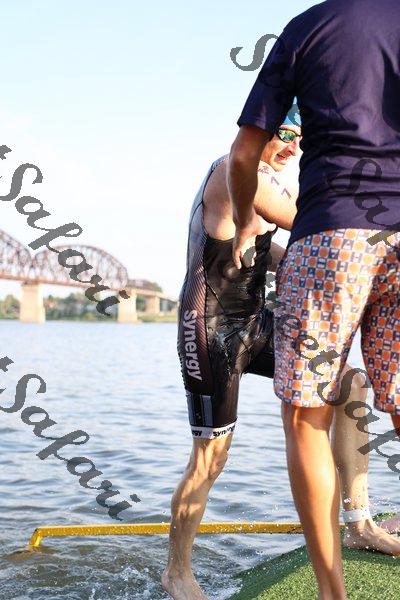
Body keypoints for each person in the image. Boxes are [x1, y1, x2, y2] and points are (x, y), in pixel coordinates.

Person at [161, 118, 400, 600]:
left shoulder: (265, 182)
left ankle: (358, 523)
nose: (293, 147)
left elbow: (274, 250)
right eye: (285, 134)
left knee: (349, 383)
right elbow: (310, 220)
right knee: (210, 458)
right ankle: (177, 572)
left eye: (300, 139)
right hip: (209, 329)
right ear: (259, 133)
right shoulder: (233, 169)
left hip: (254, 323)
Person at [228, 1, 400, 598]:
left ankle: (332, 593)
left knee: (308, 413)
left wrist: (246, 220)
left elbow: (244, 155)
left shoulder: (309, 28)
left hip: (332, 231)